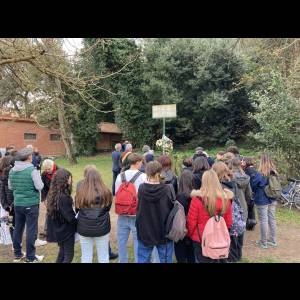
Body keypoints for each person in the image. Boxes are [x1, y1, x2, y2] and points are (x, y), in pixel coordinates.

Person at [187, 169, 233, 263]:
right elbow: (228, 222)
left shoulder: (197, 199)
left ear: (203, 181)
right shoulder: (225, 199)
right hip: (219, 237)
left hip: (201, 237)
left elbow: (191, 222)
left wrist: (191, 235)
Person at [8, 147, 44, 263]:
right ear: (29, 157)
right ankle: (30, 257)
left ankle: (18, 255)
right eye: (31, 155)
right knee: (31, 230)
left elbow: (11, 187)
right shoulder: (32, 170)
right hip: (31, 204)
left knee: (18, 228)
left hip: (18, 204)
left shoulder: (12, 170)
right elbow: (40, 186)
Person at [136, 161, 175, 263]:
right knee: (165, 260)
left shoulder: (141, 189)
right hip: (163, 231)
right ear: (160, 171)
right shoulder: (167, 189)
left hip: (146, 230)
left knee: (143, 259)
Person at [76, 166, 118, 260]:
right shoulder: (105, 191)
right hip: (100, 227)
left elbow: (77, 208)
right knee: (103, 256)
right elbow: (107, 207)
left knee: (86, 256)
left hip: (86, 227)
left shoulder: (82, 192)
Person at [115, 153, 147, 263]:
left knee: (121, 242)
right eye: (141, 162)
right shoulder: (143, 176)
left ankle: (122, 261)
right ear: (137, 162)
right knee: (138, 241)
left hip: (122, 213)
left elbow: (116, 193)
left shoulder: (120, 176)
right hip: (136, 213)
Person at [248, 154, 279, 249]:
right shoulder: (274, 172)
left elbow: (253, 185)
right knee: (272, 219)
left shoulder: (260, 173)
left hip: (262, 199)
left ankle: (263, 242)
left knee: (264, 220)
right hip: (273, 198)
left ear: (262, 162)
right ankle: (273, 240)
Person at [46, 169, 76, 263]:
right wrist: (77, 221)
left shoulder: (53, 193)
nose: (71, 180)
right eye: (70, 178)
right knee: (68, 255)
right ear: (65, 180)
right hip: (65, 231)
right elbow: (70, 217)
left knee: (62, 252)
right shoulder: (63, 197)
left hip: (59, 229)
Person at [174, 170, 195, 263]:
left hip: (181, 228)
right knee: (192, 253)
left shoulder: (179, 196)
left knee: (181, 254)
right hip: (192, 227)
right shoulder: (195, 195)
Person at [39, 159, 58, 239]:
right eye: (46, 169)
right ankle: (47, 230)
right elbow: (43, 188)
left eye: (48, 169)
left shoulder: (60, 171)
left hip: (61, 195)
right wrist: (43, 199)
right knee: (49, 212)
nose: (47, 171)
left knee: (61, 211)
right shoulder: (43, 175)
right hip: (50, 195)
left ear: (52, 166)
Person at [0, 156, 14, 245]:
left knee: (7, 219)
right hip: (5, 202)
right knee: (7, 220)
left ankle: (7, 237)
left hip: (5, 201)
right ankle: (7, 238)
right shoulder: (6, 173)